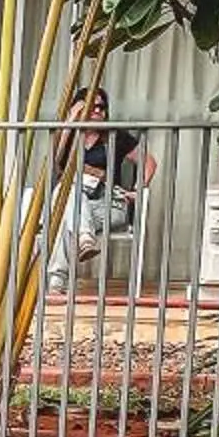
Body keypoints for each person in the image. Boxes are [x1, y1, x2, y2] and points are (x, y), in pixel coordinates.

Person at [48, 83, 151, 294]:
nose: (97, 111)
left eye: (101, 107)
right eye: (91, 107)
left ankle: (56, 282)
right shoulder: (68, 138)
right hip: (77, 205)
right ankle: (84, 239)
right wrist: (70, 122)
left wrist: (138, 188)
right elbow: (53, 163)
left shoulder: (115, 136)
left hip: (109, 205)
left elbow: (149, 161)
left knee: (67, 209)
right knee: (69, 202)